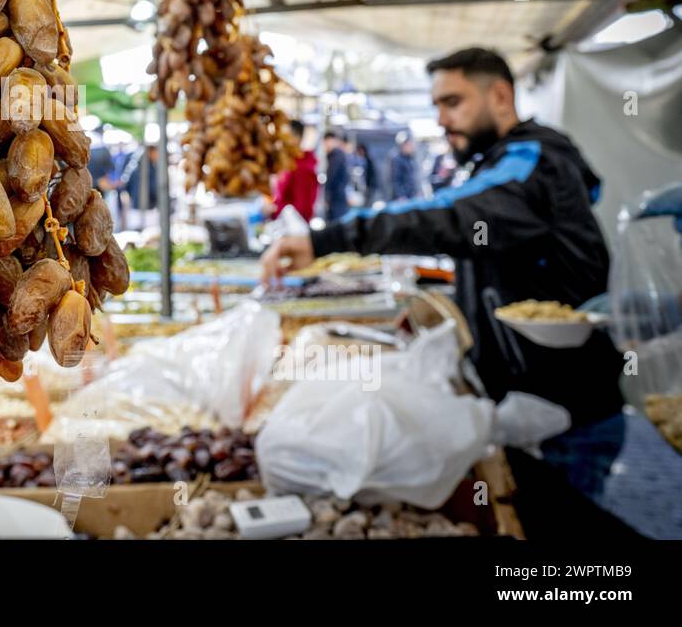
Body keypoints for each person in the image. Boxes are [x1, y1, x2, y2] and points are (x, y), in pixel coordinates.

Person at [263, 47, 624, 498]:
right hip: (528, 407)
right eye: (436, 105)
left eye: (453, 102)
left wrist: (326, 241)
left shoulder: (531, 164)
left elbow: (446, 216)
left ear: (500, 95)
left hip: (563, 414)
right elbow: (496, 252)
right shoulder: (502, 162)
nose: (441, 119)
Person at [273, 120, 319, 222]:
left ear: (296, 139)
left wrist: (274, 210)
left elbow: (301, 210)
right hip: (285, 225)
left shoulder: (303, 169)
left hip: (294, 231)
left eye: (284, 136)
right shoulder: (289, 164)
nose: (281, 141)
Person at [321, 130, 351, 222]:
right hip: (339, 196)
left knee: (335, 224)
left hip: (336, 197)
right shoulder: (337, 155)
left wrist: (327, 195)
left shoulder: (336, 155)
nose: (325, 145)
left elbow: (331, 177)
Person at [389, 134, 422, 201]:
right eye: (409, 145)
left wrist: (418, 192)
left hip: (412, 195)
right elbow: (395, 180)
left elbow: (413, 178)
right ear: (403, 146)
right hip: (403, 198)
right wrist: (401, 195)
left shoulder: (410, 159)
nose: (411, 147)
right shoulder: (397, 159)